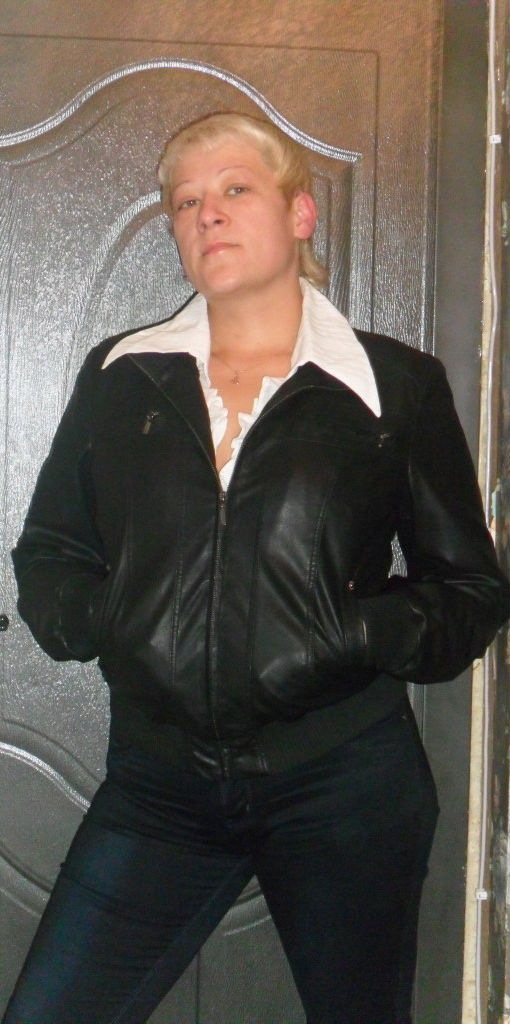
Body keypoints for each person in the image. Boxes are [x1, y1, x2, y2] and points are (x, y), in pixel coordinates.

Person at [4, 110, 509, 1025]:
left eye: (236, 188)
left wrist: (348, 633)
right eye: (185, 201)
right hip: (159, 784)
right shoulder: (122, 375)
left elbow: (470, 591)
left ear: (300, 213)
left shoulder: (392, 387)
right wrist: (112, 619)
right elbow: (49, 553)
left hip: (342, 783)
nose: (207, 213)